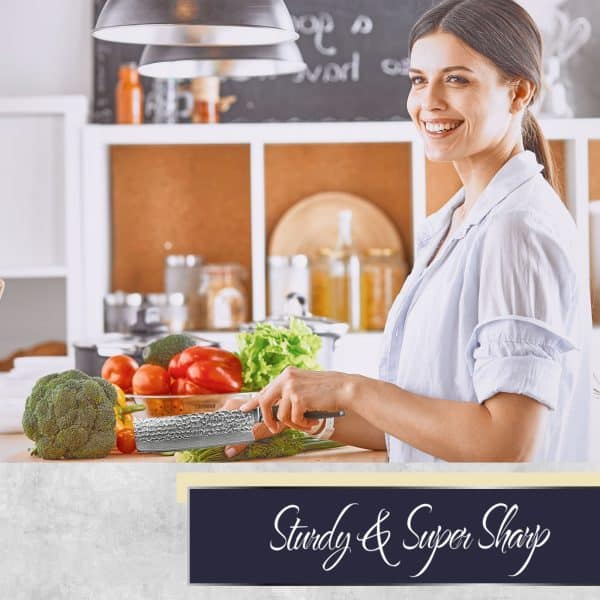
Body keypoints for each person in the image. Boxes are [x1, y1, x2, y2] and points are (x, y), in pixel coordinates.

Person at [225, 0, 592, 462]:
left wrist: (350, 388)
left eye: (456, 79)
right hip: (446, 528)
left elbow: (505, 443)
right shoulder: (454, 223)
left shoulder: (515, 230)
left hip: (503, 531)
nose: (429, 102)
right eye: (419, 80)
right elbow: (432, 426)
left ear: (518, 94)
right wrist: (311, 415)